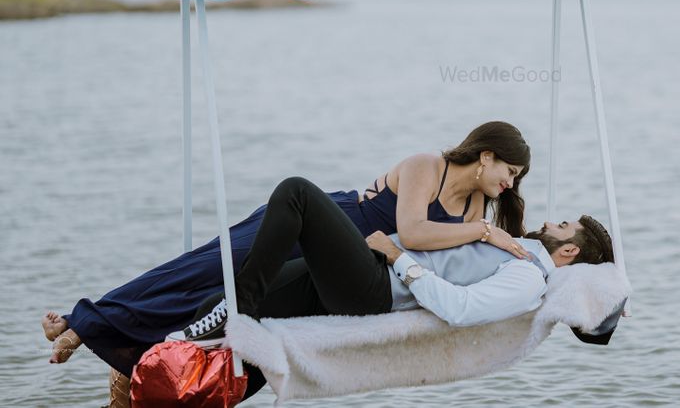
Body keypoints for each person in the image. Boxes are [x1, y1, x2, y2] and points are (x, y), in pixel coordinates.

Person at [42, 121, 531, 375]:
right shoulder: (431, 165)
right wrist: (487, 233)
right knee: (205, 268)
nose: (509, 184)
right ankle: (83, 320)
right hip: (314, 222)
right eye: (509, 172)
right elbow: (418, 233)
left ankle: (137, 348)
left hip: (340, 259)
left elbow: (430, 256)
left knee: (220, 299)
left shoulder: (472, 209)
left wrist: (487, 233)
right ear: (485, 156)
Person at [171, 177, 616, 401]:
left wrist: (396, 256)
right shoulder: (516, 249)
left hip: (374, 285)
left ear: (571, 252)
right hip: (365, 272)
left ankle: (240, 304)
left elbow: (460, 309)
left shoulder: (527, 277)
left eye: (562, 226)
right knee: (217, 307)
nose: (549, 223)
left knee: (297, 194)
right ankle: (179, 383)